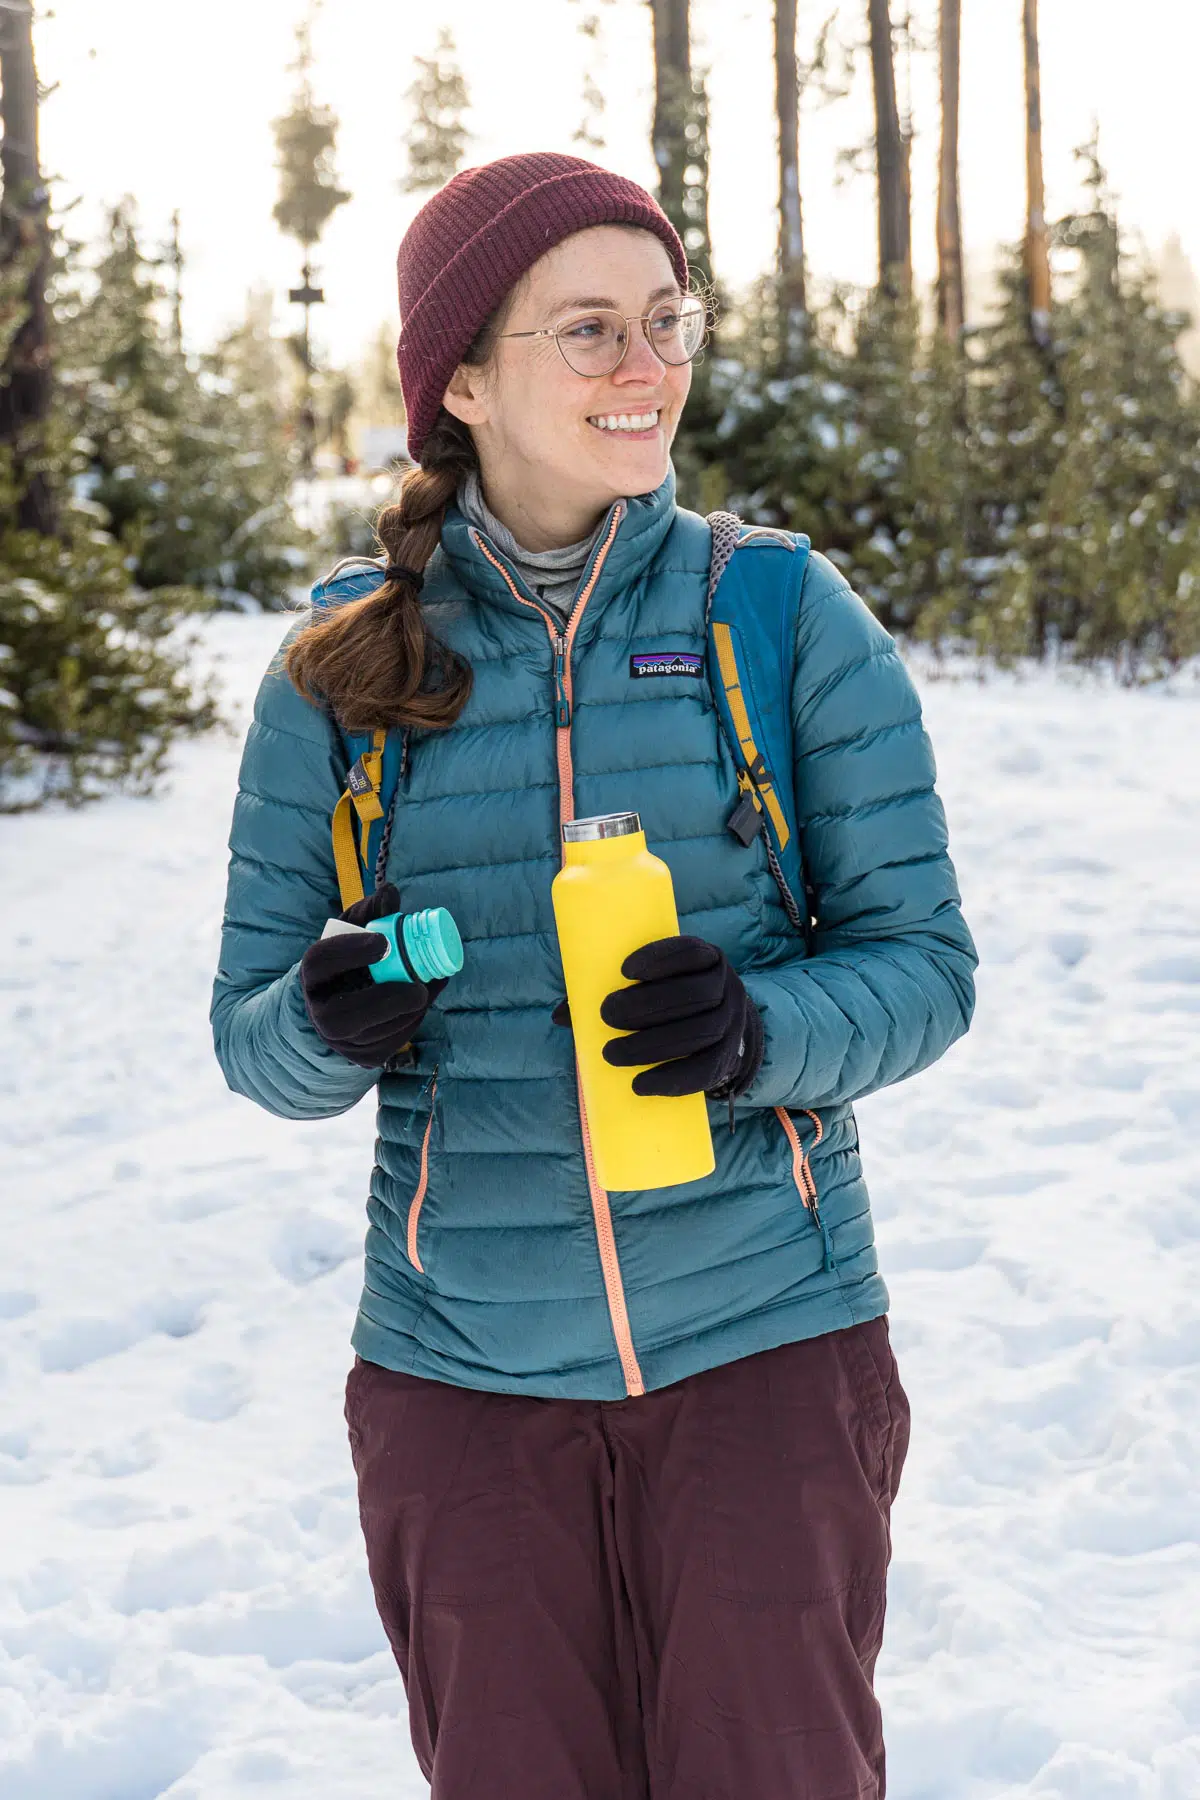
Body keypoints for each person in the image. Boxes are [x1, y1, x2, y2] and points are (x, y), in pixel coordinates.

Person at [211, 153, 976, 1800]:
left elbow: (926, 966)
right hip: (458, 1380)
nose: (650, 367)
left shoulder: (772, 617)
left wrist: (766, 1027)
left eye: (666, 320)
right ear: (464, 380)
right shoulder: (341, 675)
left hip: (765, 1350)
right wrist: (328, 1019)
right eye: (589, 330)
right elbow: (251, 1036)